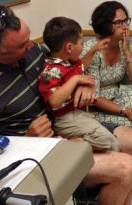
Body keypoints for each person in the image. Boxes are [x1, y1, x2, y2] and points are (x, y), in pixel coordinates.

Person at [0, 5, 132, 205]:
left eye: (29, 40)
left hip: (69, 122)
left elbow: (62, 72)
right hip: (38, 152)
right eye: (21, 46)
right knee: (126, 166)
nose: (31, 47)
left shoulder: (34, 51)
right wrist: (27, 140)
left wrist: (82, 85)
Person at [81, 1, 132, 135]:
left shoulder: (124, 45)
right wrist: (128, 111)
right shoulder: (92, 49)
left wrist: (126, 50)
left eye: (127, 21)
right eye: (119, 23)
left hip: (117, 96)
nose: (126, 26)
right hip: (96, 107)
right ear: (106, 25)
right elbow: (94, 97)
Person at [39, 17, 120, 151]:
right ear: (69, 47)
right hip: (65, 119)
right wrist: (75, 80)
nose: (83, 47)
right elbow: (54, 101)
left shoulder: (69, 62)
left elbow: (82, 65)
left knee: (114, 143)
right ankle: (69, 144)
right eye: (81, 43)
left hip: (79, 113)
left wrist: (94, 50)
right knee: (106, 140)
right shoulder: (51, 70)